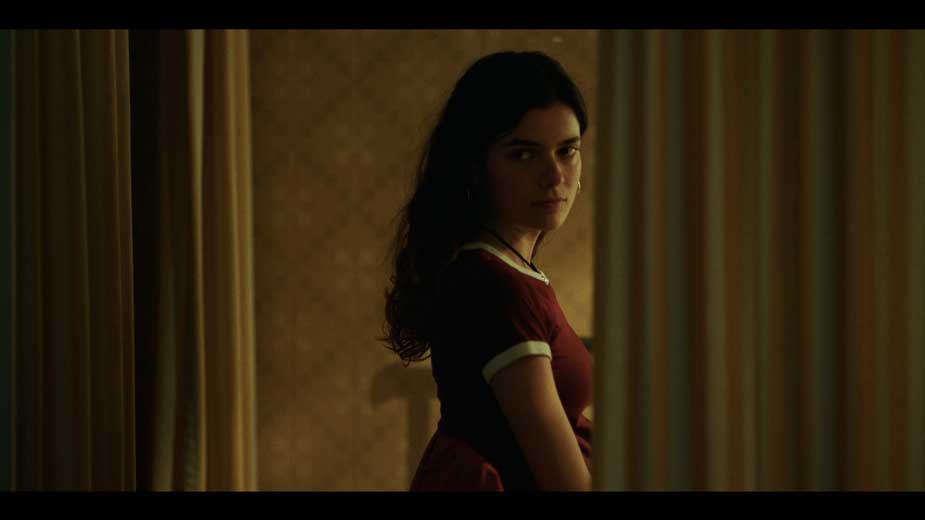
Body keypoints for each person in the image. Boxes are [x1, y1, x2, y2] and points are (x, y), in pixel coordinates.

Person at [381, 50, 593, 492]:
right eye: (523, 154)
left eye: (567, 151)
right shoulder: (497, 285)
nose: (554, 175)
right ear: (475, 165)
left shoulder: (507, 272)